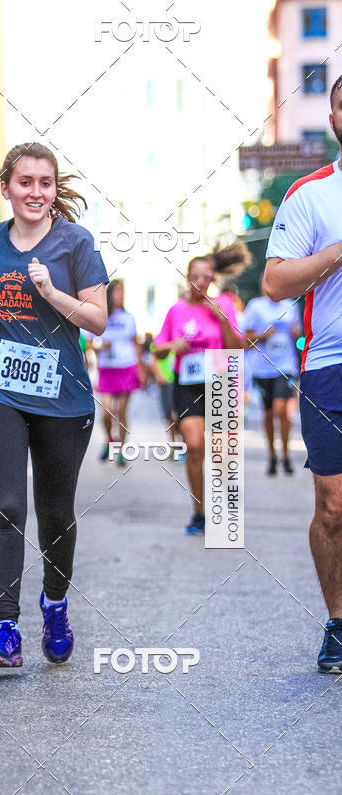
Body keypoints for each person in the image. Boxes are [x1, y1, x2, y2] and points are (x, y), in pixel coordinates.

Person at [0, 141, 108, 667]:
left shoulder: (75, 243)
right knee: (7, 504)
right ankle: (5, 631)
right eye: (25, 182)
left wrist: (53, 293)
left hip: (63, 396)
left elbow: (97, 320)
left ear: (55, 191)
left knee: (55, 514)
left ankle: (54, 604)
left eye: (45, 183)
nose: (35, 192)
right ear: (6, 187)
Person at [263, 73, 342, 672]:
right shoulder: (310, 195)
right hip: (330, 365)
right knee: (334, 504)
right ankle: (338, 623)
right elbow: (277, 282)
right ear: (334, 118)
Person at [153, 243, 249, 534]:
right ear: (188, 278)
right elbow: (157, 350)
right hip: (188, 383)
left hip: (219, 380)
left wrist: (222, 319)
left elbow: (238, 348)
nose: (200, 282)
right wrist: (170, 346)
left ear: (213, 279)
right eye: (194, 276)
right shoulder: (176, 310)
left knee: (220, 452)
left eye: (206, 276)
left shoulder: (225, 305)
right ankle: (199, 512)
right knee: (194, 446)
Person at [244, 285, 301, 475]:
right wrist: (262, 335)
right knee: (269, 414)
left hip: (285, 367)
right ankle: (272, 455)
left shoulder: (291, 305)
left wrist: (297, 333)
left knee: (282, 410)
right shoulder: (255, 306)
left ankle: (285, 455)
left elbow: (299, 336)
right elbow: (246, 341)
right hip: (262, 368)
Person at [89, 279, 142, 466]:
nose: (120, 296)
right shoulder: (100, 315)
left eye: (122, 292)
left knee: (121, 411)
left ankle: (120, 450)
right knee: (106, 412)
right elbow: (88, 343)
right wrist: (101, 346)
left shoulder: (128, 318)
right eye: (117, 291)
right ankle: (109, 440)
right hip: (106, 368)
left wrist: (140, 369)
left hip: (126, 366)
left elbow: (136, 343)